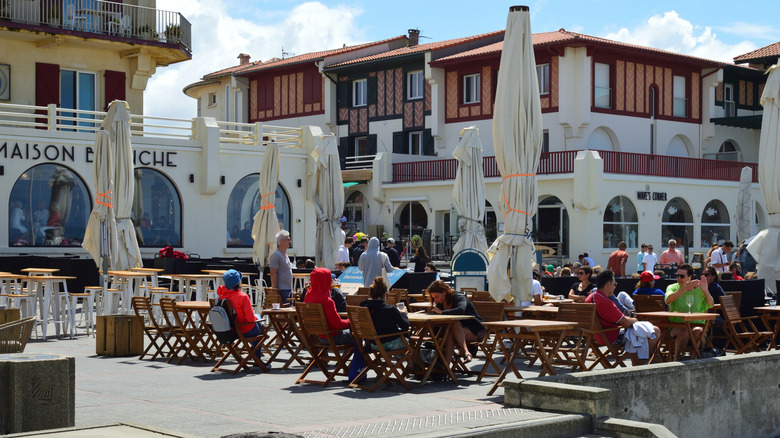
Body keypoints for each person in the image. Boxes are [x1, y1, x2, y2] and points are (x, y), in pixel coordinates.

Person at [585, 270, 661, 365]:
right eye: (614, 283)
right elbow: (626, 323)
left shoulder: (590, 298)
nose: (615, 286)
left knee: (636, 332)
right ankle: (642, 361)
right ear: (608, 284)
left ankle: (638, 362)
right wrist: (637, 319)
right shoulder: (606, 302)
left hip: (597, 336)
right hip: (612, 337)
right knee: (654, 331)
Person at [664, 263, 714, 361]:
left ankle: (693, 357)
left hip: (697, 324)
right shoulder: (672, 287)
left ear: (690, 277)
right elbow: (668, 300)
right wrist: (684, 289)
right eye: (677, 275)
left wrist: (706, 291)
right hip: (677, 324)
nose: (679, 278)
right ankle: (676, 358)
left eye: (682, 276)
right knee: (685, 330)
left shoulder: (699, 289)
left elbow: (711, 304)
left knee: (698, 331)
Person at [427, 280, 484, 364]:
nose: (435, 300)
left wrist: (442, 312)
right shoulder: (440, 303)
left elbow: (461, 310)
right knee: (450, 332)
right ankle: (448, 365)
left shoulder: (458, 297)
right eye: (433, 298)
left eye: (437, 296)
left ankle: (464, 352)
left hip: (475, 330)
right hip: (457, 331)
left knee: (454, 323)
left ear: (444, 292)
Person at [216, 269, 264, 360]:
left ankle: (254, 356)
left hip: (232, 330)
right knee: (260, 328)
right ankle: (257, 358)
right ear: (238, 282)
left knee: (258, 323)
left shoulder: (222, 297)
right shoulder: (242, 296)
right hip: (245, 329)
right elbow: (250, 319)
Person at [303, 267, 351, 344]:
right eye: (330, 279)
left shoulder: (308, 296)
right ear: (326, 281)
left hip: (318, 336)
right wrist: (351, 321)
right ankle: (358, 356)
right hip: (332, 336)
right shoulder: (327, 301)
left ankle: (323, 356)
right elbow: (338, 324)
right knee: (358, 334)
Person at [360, 276, 409, 351]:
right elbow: (405, 326)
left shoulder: (363, 307)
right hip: (391, 343)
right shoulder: (391, 309)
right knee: (411, 341)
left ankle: (393, 362)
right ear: (385, 294)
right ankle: (407, 362)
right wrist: (404, 313)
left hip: (373, 344)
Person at [269, 230, 293, 303]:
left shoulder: (285, 255)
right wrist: (275, 291)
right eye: (288, 239)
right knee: (282, 312)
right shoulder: (276, 255)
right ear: (282, 241)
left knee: (287, 312)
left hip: (288, 289)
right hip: (281, 290)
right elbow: (273, 273)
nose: (290, 241)